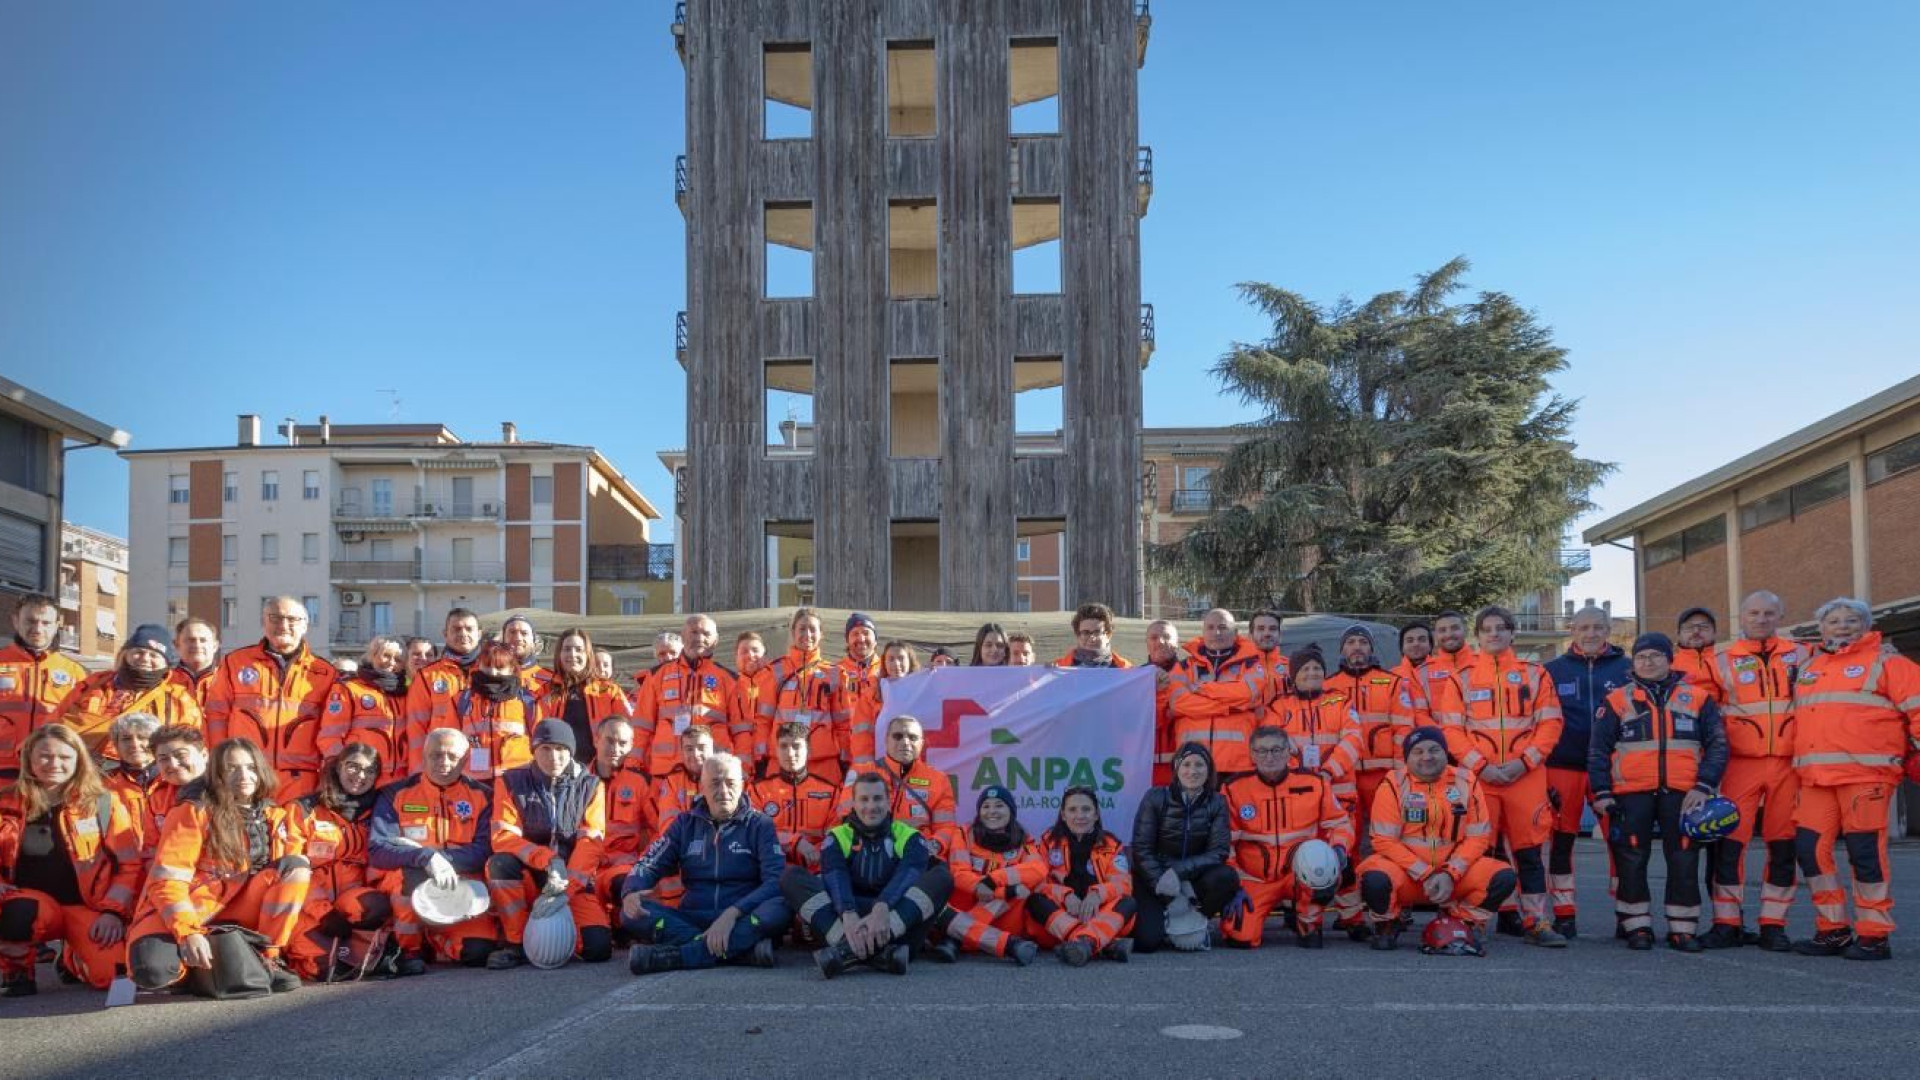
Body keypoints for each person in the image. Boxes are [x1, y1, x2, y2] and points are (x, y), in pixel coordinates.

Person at [1788, 597, 1920, 961]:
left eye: (1851, 620)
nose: (1842, 626)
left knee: (1866, 856)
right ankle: (1832, 930)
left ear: (1866, 626)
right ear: (1822, 628)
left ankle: (1875, 934)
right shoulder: (1809, 666)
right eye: (1834, 621)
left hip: (1867, 777)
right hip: (1815, 778)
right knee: (1810, 853)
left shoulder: (1889, 662)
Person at [127, 737, 311, 993]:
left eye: (250, 767)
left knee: (296, 867)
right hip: (196, 907)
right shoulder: (193, 811)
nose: (243, 775)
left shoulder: (276, 815)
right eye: (231, 768)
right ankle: (200, 966)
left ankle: (269, 958)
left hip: (242, 910)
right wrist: (188, 932)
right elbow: (167, 882)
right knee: (153, 971)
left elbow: (289, 891)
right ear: (217, 775)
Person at [1435, 605, 1567, 947]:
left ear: (1512, 633)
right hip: (1480, 778)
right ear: (1477, 637)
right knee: (1478, 851)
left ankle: (1537, 921)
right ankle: (1473, 920)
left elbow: (1550, 724)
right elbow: (1451, 731)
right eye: (1487, 629)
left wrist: (1524, 762)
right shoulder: (1460, 678)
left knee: (1530, 851)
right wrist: (1482, 766)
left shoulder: (1535, 674)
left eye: (1500, 628)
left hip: (1527, 776)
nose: (1493, 634)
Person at [1589, 633, 1728, 952]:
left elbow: (1718, 745)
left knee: (1683, 858)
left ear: (1670, 659)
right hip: (1630, 793)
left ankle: (1683, 928)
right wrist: (1602, 792)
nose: (1648, 662)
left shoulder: (1697, 697)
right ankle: (1637, 926)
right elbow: (1598, 750)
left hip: (1684, 794)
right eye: (1641, 657)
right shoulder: (1617, 700)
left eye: (1655, 656)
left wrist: (1704, 786)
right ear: (1633, 662)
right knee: (1632, 859)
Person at [0, 724, 145, 994]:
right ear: (28, 759)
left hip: (87, 905)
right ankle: (16, 970)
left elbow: (129, 865)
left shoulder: (103, 803)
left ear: (78, 761)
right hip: (30, 905)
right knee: (18, 913)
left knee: (113, 976)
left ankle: (72, 960)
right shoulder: (6, 803)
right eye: (45, 755)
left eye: (65, 757)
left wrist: (113, 912)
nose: (54, 763)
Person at [1704, 590, 1809, 951]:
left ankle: (1773, 924)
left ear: (1780, 615)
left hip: (1789, 765)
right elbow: (1702, 709)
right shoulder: (1721, 661)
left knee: (1783, 847)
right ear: (1741, 618)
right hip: (1739, 764)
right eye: (1754, 613)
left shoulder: (1804, 655)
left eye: (1768, 613)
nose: (1761, 619)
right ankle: (1727, 923)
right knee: (1730, 847)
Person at [624, 753, 789, 973]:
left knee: (781, 907)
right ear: (701, 787)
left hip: (741, 917)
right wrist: (631, 890)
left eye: (730, 783)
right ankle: (740, 952)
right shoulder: (684, 824)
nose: (723, 791)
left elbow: (774, 882)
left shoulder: (760, 824)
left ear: (742, 785)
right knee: (630, 912)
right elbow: (649, 862)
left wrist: (732, 913)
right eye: (714, 783)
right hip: (693, 917)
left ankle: (681, 956)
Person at [782, 771, 954, 978]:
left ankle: (846, 951)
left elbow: (908, 876)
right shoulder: (837, 836)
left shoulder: (910, 837)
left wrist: (882, 907)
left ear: (889, 802)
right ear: (853, 803)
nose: (871, 806)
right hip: (850, 920)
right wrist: (848, 912)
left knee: (942, 876)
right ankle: (878, 954)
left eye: (877, 799)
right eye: (864, 799)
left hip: (896, 923)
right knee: (791, 878)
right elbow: (835, 877)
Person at [1358, 727, 1516, 951]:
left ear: (1445, 753)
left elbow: (1478, 838)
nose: (1427, 757)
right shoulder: (1393, 783)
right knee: (1374, 877)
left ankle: (1465, 922)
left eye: (1434, 750)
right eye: (1418, 751)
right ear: (1407, 757)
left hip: (1453, 877)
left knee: (1502, 876)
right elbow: (1383, 841)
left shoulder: (1466, 781)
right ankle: (1387, 923)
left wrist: (1450, 873)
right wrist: (1426, 872)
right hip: (1409, 877)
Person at [369, 728, 499, 975]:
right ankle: (410, 949)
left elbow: (484, 849)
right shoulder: (395, 794)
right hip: (409, 879)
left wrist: (443, 861)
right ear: (423, 756)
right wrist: (426, 858)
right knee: (410, 875)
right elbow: (378, 849)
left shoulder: (483, 796)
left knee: (478, 951)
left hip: (459, 882)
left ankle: (436, 940)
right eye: (436, 755)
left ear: (465, 759)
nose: (444, 763)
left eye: (452, 756)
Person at [486, 720, 611, 969]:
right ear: (534, 750)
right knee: (499, 864)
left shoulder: (592, 785)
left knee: (597, 948)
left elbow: (591, 843)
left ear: (571, 750)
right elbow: (504, 837)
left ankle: (552, 933)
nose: (554, 756)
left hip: (570, 882)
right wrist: (547, 860)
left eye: (561, 748)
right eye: (545, 749)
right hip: (530, 878)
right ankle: (516, 942)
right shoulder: (510, 781)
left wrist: (566, 890)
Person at [1220, 726, 1355, 949]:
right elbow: (1225, 841)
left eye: (1276, 750)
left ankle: (1308, 920)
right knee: (1240, 938)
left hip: (1300, 875)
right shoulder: (1234, 788)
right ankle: (1258, 916)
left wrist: (1339, 850)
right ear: (1252, 754)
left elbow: (1340, 823)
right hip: (1254, 879)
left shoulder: (1315, 783)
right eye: (1261, 751)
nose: (1269, 756)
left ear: (1287, 753)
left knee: (1323, 865)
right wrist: (1235, 882)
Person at [1540, 605, 1630, 938]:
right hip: (1564, 766)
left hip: (1613, 768)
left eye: (1598, 627)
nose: (1591, 634)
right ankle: (1564, 914)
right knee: (1561, 843)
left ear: (1609, 630)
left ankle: (1627, 913)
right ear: (1572, 630)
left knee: (1620, 843)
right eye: (1584, 628)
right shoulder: (1551, 671)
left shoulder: (1628, 669)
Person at [204, 597, 338, 801]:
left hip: (301, 781)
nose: (283, 625)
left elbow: (331, 729)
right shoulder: (236, 662)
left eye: (292, 619)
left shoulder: (325, 672)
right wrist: (221, 763)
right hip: (246, 777)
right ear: (264, 622)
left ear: (305, 625)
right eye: (275, 618)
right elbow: (216, 715)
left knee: (293, 833)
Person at [286, 743, 392, 981]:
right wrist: (323, 913)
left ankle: (360, 946)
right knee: (326, 968)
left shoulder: (377, 811)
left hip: (349, 903)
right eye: (352, 766)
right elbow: (291, 869)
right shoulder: (303, 810)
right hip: (308, 905)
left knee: (376, 905)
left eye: (370, 770)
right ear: (337, 767)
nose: (360, 776)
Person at [1323, 625, 1430, 835]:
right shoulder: (1328, 686)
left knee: (1390, 829)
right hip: (1343, 773)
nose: (1357, 647)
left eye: (1363, 643)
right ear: (1342, 649)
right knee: (1344, 831)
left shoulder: (1392, 682)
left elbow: (1404, 729)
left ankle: (1388, 867)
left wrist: (1401, 771)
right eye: (1351, 642)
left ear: (1371, 649)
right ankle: (1349, 868)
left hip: (1383, 774)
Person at [1129, 741, 1234, 953]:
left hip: (1192, 877)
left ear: (1209, 770)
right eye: (1186, 765)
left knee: (1227, 877)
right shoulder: (1155, 797)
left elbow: (1219, 851)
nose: (1192, 771)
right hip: (1154, 878)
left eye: (1199, 765)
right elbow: (1141, 849)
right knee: (1146, 943)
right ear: (1176, 768)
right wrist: (1166, 889)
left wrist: (1178, 873)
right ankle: (1171, 915)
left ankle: (1194, 916)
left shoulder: (1217, 802)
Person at [55, 625, 205, 759]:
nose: (145, 659)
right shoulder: (93, 685)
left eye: (154, 655)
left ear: (166, 663)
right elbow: (56, 721)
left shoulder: (179, 699)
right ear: (125, 654)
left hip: (148, 775)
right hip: (86, 768)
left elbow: (189, 744)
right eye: (138, 652)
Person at [930, 785, 1042, 964]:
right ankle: (1004, 943)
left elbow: (1038, 869)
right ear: (979, 811)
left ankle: (956, 938)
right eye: (986, 806)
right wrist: (985, 888)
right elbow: (959, 873)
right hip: (967, 904)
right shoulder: (964, 834)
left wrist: (993, 882)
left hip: (1001, 918)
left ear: (1011, 811)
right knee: (1010, 890)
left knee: (1022, 888)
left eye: (999, 805)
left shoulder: (1024, 840)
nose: (992, 811)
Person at [1027, 785, 1135, 965]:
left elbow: (1123, 884)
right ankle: (1097, 943)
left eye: (1086, 809)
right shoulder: (1048, 842)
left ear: (1096, 814)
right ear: (1063, 815)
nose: (1080, 815)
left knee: (1128, 902)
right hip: (1061, 920)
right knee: (1035, 899)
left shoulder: (1111, 844)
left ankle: (1083, 942)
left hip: (1097, 915)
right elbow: (1037, 882)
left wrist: (1097, 894)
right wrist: (1065, 895)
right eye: (1072, 810)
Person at [1168, 609, 1277, 779]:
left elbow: (1246, 694)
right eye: (1210, 627)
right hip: (1191, 762)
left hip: (1238, 761)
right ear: (1203, 632)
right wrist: (1229, 706)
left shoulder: (1252, 665)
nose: (1216, 633)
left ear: (1235, 633)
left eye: (1222, 627)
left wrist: (1203, 688)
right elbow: (1179, 703)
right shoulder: (1183, 667)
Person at [845, 715, 960, 858]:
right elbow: (844, 819)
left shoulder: (939, 780)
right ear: (886, 740)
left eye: (912, 738)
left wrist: (934, 845)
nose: (905, 742)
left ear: (922, 743)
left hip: (918, 856)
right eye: (898, 736)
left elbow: (946, 827)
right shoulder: (861, 772)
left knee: (941, 877)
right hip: (869, 855)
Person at [1, 594, 87, 782]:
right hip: (4, 769)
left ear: (57, 625)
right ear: (16, 621)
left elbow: (85, 724)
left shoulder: (75, 673)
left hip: (51, 772)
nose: (38, 629)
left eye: (46, 623)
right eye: (30, 621)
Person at [753, 608, 845, 782]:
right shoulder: (775, 670)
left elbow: (843, 724)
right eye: (802, 629)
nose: (807, 634)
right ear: (793, 632)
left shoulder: (834, 673)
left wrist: (846, 761)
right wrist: (760, 758)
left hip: (823, 762)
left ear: (821, 634)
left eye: (813, 629)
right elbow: (763, 720)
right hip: (782, 759)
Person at [1266, 647, 1363, 812]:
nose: (1312, 673)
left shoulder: (1340, 702)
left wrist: (1328, 771)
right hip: (1295, 790)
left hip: (1338, 792)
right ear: (1294, 675)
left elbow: (1353, 740)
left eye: (1317, 668)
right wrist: (1299, 775)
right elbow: (1271, 744)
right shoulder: (1279, 706)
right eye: (1305, 669)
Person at [636, 615, 734, 777]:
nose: (700, 638)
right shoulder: (656, 676)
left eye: (706, 634)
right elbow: (641, 727)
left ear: (716, 641)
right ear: (682, 637)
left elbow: (741, 731)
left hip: (713, 772)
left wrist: (743, 768)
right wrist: (635, 766)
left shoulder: (728, 679)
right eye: (694, 632)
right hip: (666, 773)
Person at [442, 641, 540, 783]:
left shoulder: (528, 701)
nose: (493, 673)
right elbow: (448, 743)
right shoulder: (460, 700)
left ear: (512, 669)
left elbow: (539, 744)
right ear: (479, 665)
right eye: (487, 666)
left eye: (500, 668)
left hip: (516, 781)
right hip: (471, 783)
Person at [751, 722, 840, 874]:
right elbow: (755, 834)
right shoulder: (758, 790)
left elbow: (835, 838)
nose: (790, 753)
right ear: (776, 751)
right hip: (771, 870)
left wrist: (814, 856)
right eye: (784, 746)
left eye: (796, 746)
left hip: (816, 870)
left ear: (809, 751)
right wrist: (794, 842)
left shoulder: (830, 792)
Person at [402, 608, 485, 771]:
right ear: (445, 634)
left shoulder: (492, 672)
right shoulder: (427, 677)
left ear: (479, 633)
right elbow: (416, 731)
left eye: (469, 628)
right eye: (456, 629)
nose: (463, 633)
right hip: (442, 765)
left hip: (482, 765)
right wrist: (420, 772)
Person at [319, 636, 410, 784]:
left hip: (398, 780)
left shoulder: (405, 694)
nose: (391, 662)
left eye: (398, 659)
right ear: (373, 655)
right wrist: (342, 770)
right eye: (386, 655)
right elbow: (330, 736)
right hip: (361, 778)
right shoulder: (349, 689)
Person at [589, 718, 657, 910]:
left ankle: (624, 932)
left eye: (623, 743)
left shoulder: (639, 783)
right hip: (586, 868)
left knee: (626, 886)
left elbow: (658, 830)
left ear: (631, 746)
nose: (616, 749)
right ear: (596, 740)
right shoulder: (578, 781)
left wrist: (644, 864)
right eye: (610, 741)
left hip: (623, 868)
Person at [541, 627, 632, 771]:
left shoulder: (609, 691)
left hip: (599, 772)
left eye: (579, 649)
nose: (572, 654)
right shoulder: (545, 691)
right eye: (567, 649)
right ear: (559, 654)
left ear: (588, 654)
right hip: (556, 772)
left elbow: (630, 730)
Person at [132, 725, 210, 857]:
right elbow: (151, 851)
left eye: (181, 755)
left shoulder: (227, 792)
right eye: (163, 759)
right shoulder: (157, 800)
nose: (173, 764)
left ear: (204, 755)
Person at [847, 640, 918, 770]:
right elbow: (862, 736)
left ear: (910, 661)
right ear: (884, 663)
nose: (896, 663)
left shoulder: (922, 689)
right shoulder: (872, 695)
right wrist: (867, 768)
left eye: (901, 658)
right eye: (891, 659)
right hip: (882, 765)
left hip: (916, 765)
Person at [100, 712, 165, 845]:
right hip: (123, 862)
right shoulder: (103, 784)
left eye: (142, 737)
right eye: (126, 739)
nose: (134, 744)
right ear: (116, 746)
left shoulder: (173, 781)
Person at [831, 614, 884, 764]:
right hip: (844, 755)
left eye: (866, 633)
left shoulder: (888, 669)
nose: (861, 639)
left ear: (875, 639)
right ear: (847, 640)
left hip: (881, 752)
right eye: (855, 634)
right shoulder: (834, 671)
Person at [655, 724, 716, 829]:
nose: (696, 754)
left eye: (701, 747)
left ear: (712, 748)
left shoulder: (724, 778)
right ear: (682, 752)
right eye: (689, 749)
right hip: (681, 843)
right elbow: (668, 825)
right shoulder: (672, 782)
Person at [1144, 620, 1182, 786]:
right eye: (1154, 637)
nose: (1160, 641)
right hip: (1142, 769)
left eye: (1166, 636)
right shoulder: (1133, 678)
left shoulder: (1191, 674)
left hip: (1182, 769)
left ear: (1177, 643)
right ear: (1147, 644)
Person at [729, 631, 768, 762]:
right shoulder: (729, 686)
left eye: (755, 650)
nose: (750, 655)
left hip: (771, 759)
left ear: (764, 654)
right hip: (739, 758)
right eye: (744, 651)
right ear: (736, 657)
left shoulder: (778, 682)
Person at [1672, 607, 1726, 701]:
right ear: (1678, 634)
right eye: (1689, 627)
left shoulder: (1728, 660)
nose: (1696, 631)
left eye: (1704, 627)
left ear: (1715, 633)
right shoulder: (1668, 665)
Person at [1055, 603, 1132, 668]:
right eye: (1085, 632)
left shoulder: (1127, 670)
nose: (1092, 638)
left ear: (1108, 635)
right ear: (1077, 635)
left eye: (1097, 632)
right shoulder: (1057, 668)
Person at [169, 617, 221, 703]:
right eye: (190, 640)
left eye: (203, 640)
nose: (197, 645)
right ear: (177, 645)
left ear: (215, 646)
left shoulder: (229, 683)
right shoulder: (164, 682)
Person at [1390, 621, 1437, 710]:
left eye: (1422, 639)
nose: (1416, 644)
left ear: (1430, 645)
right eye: (1410, 640)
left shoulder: (1447, 673)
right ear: (1402, 647)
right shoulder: (1391, 676)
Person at [499, 615, 551, 694]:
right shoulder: (491, 675)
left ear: (533, 641)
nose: (518, 638)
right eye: (512, 632)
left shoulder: (549, 679)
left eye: (524, 633)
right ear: (503, 639)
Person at [1247, 609, 1292, 692]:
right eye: (1261, 629)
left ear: (1280, 635)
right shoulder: (1238, 668)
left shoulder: (1292, 667)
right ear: (1250, 635)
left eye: (1272, 629)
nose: (1267, 633)